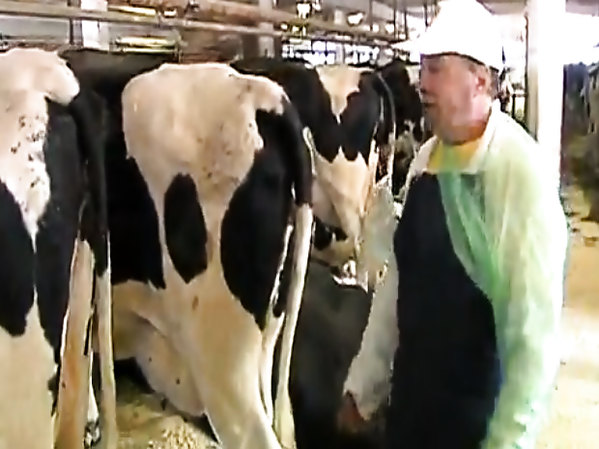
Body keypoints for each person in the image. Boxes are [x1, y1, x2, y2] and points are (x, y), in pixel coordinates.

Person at [336, 1, 569, 448]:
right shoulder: (427, 162)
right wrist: (364, 390)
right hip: (411, 413)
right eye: (423, 68)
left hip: (476, 424)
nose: (421, 83)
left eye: (436, 69)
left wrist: (507, 441)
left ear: (480, 80)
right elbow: (397, 287)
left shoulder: (518, 176)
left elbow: (533, 340)